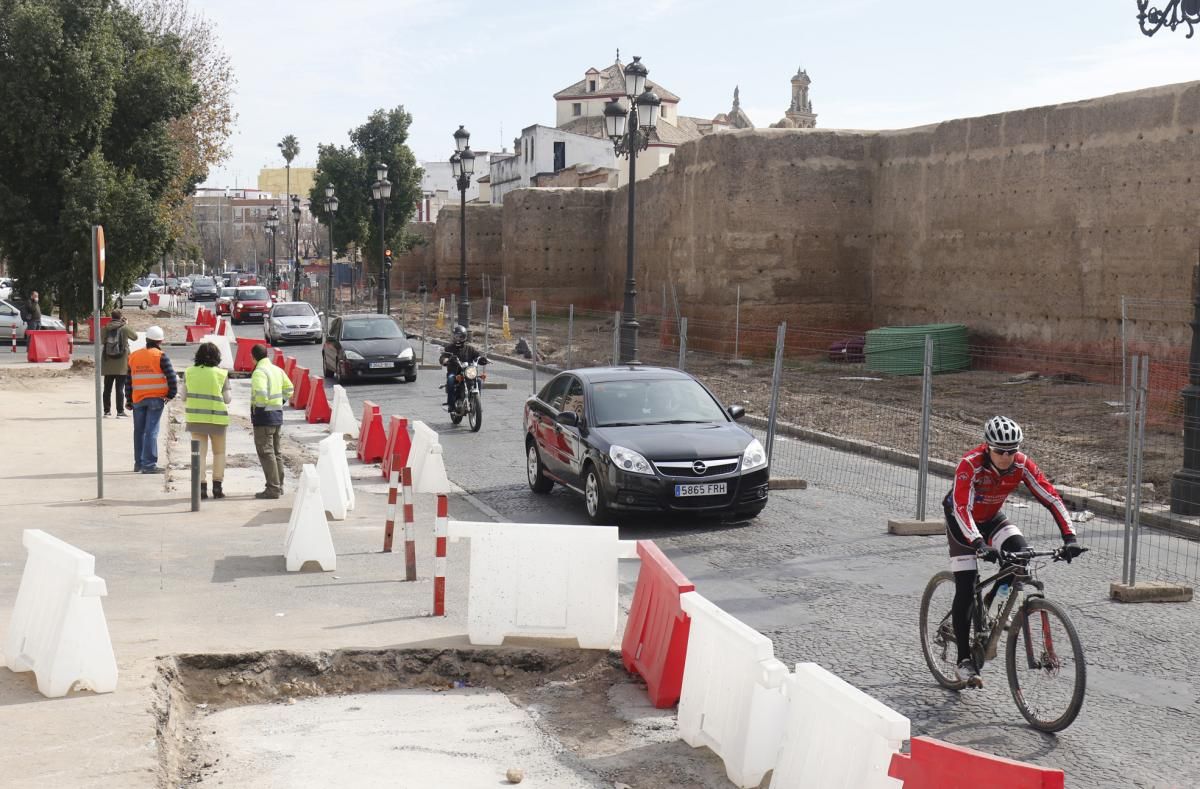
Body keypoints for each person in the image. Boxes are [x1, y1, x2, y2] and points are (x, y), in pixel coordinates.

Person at [943, 415, 1085, 687]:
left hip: (992, 518)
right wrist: (978, 543)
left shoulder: (1021, 464)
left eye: (1012, 451)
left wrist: (1070, 538)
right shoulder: (970, 464)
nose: (1006, 457)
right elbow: (962, 508)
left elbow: (1050, 496)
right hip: (962, 523)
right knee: (965, 585)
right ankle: (963, 661)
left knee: (1021, 555)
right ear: (988, 447)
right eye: (1000, 451)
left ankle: (991, 605)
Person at [181, 342, 231, 499]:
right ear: (217, 357)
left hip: (196, 420)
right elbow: (227, 399)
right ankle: (217, 487)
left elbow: (182, 397)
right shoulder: (221, 374)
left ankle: (201, 488)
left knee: (199, 454)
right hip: (217, 420)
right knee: (219, 453)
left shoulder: (189, 372)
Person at [124, 325, 177, 473]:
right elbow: (172, 378)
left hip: (138, 399)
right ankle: (149, 465)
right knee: (151, 431)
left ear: (146, 340)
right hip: (156, 399)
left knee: (139, 431)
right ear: (160, 341)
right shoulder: (160, 356)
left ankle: (139, 464)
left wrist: (128, 399)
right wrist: (170, 395)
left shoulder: (134, 356)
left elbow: (129, 380)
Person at [249, 343, 292, 499]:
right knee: (276, 453)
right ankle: (279, 486)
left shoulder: (259, 372)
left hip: (264, 418)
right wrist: (279, 403)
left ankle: (272, 488)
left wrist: (261, 407)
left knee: (266, 453)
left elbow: (260, 393)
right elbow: (289, 388)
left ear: (253, 357)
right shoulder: (277, 370)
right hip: (277, 416)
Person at [101, 310, 138, 417]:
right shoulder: (124, 328)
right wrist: (127, 324)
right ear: (121, 317)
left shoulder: (106, 328)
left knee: (107, 388)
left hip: (108, 362)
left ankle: (107, 411)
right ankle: (120, 411)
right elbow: (135, 337)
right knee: (120, 388)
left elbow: (101, 340)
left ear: (111, 317)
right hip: (122, 362)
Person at [439, 324, 481, 412]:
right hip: (454, 372)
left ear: (464, 337)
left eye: (460, 337)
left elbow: (478, 356)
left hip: (467, 372)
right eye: (456, 337)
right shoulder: (449, 348)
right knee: (450, 380)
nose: (458, 339)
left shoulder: (470, 349)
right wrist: (445, 360)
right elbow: (443, 357)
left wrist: (482, 359)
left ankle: (477, 404)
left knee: (478, 380)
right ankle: (450, 405)